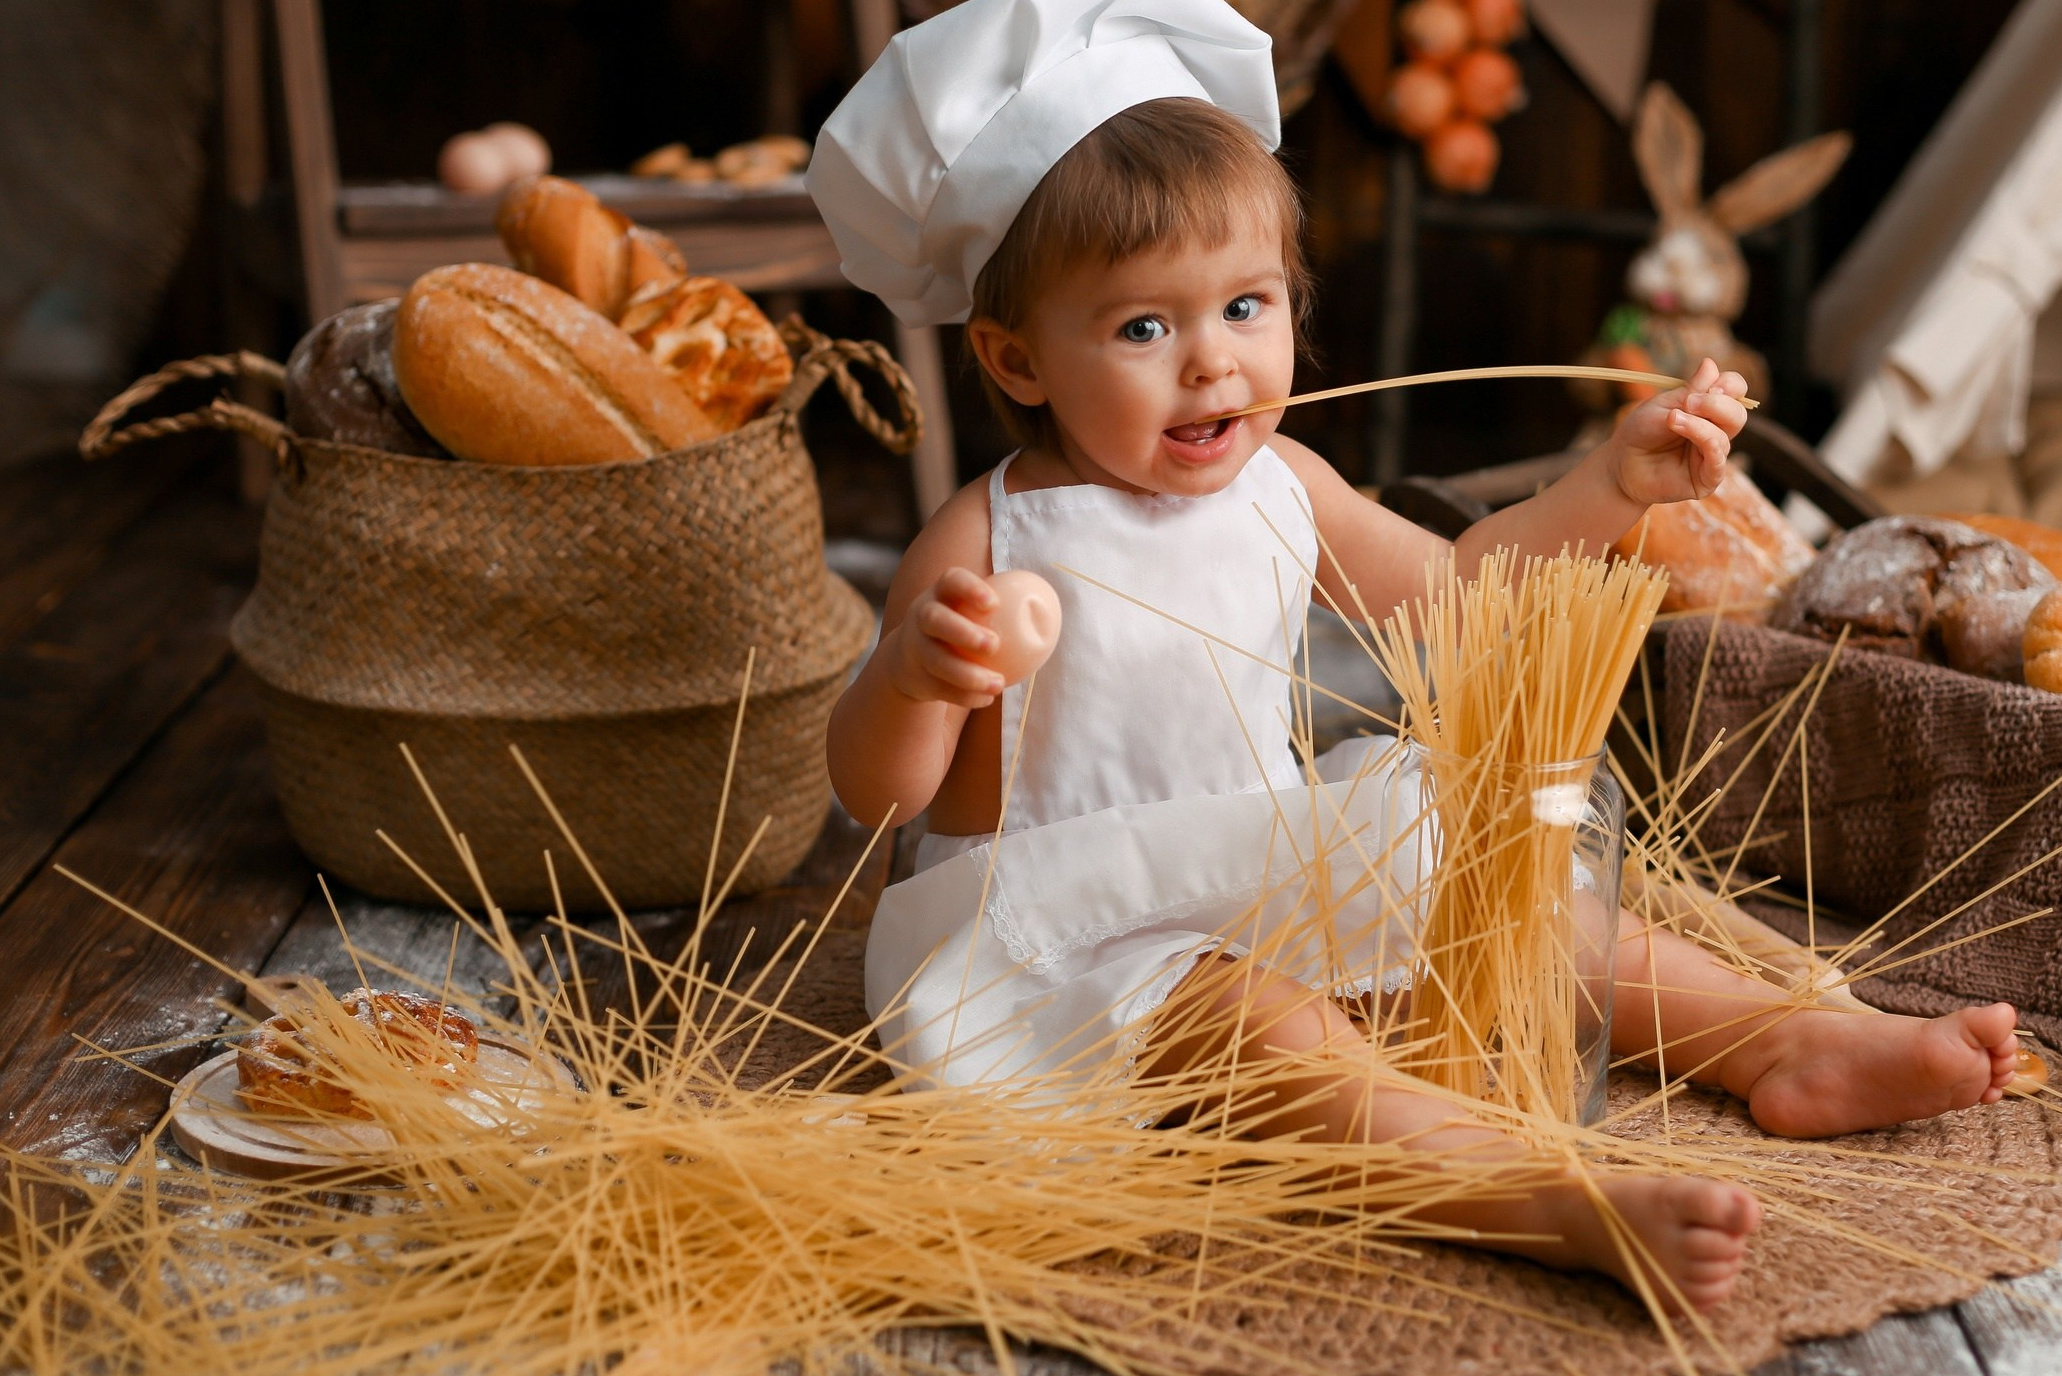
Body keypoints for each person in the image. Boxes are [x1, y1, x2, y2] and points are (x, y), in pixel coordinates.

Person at [808, 0, 2024, 1313]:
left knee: (1516, 905)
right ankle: (1536, 1198)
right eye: (1142, 330)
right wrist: (918, 682)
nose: (1213, 360)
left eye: (1244, 304)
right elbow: (879, 796)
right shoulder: (990, 533)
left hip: (1258, 863)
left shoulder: (1279, 480)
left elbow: (1456, 590)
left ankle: (1779, 1039)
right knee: (1274, 1037)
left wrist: (1610, 484)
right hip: (1069, 932)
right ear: (1014, 358)